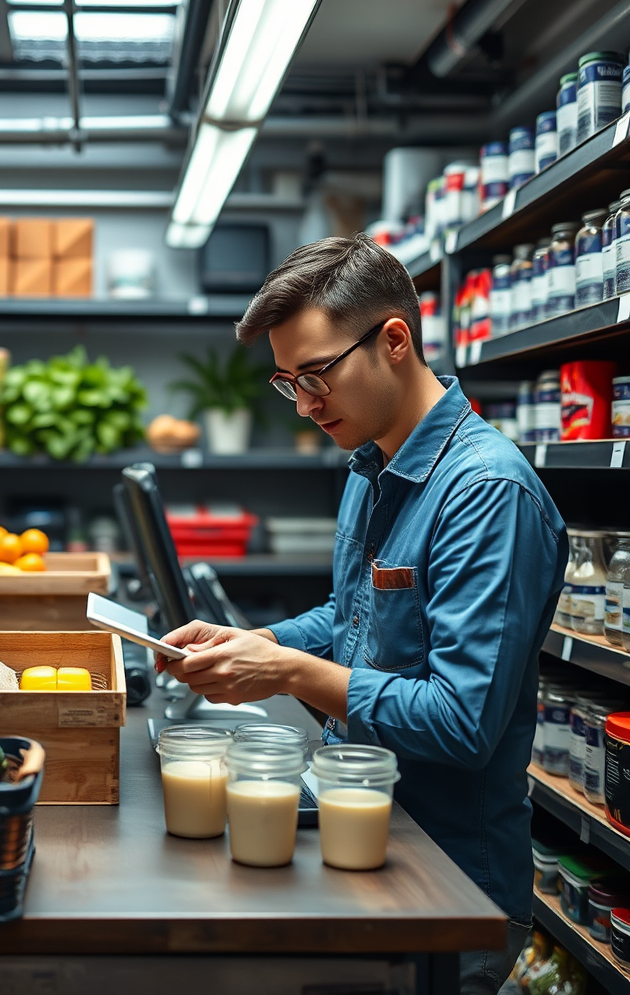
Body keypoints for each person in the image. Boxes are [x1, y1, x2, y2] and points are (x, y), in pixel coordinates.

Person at [159, 234, 567, 995]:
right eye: (288, 382)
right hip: (371, 836)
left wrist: (288, 672)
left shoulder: (487, 494)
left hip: (448, 889)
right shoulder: (370, 464)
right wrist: (258, 640)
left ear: (395, 341)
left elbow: (462, 722)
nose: (306, 404)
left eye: (317, 375)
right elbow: (353, 617)